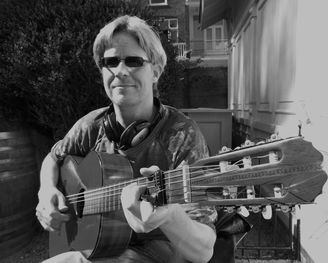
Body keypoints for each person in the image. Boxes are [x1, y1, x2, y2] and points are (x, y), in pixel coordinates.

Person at [36, 15, 217, 263]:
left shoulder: (181, 135)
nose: (120, 71)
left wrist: (169, 215)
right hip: (97, 247)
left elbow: (204, 252)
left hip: (155, 254)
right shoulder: (92, 125)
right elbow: (53, 158)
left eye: (133, 61)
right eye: (110, 61)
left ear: (155, 72)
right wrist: (46, 191)